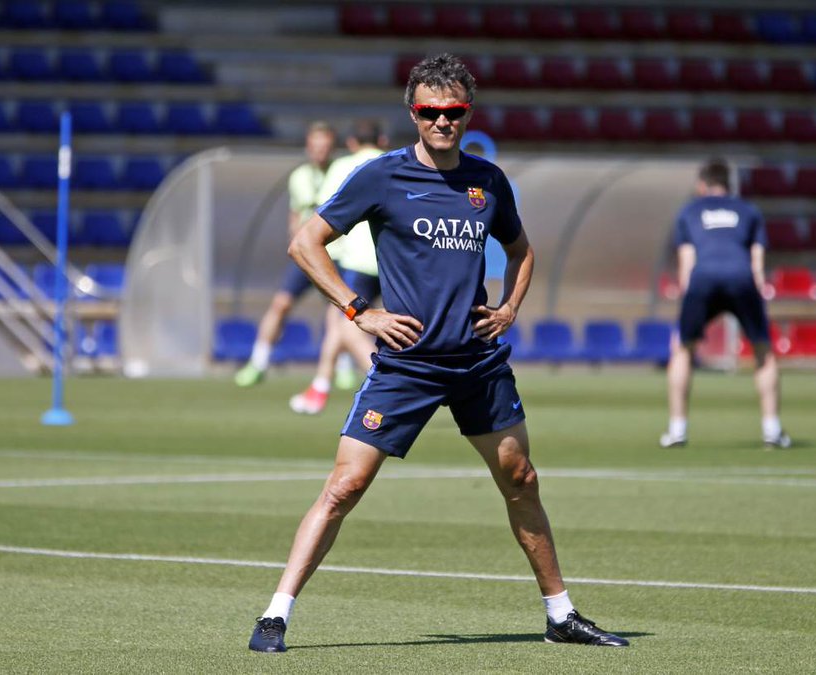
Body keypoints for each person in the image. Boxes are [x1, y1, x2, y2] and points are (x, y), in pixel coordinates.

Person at [248, 53, 628, 652]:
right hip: (407, 366)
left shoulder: (488, 181)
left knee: (522, 479)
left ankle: (561, 616)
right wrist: (360, 311)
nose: (442, 121)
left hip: (477, 363)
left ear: (468, 113)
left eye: (453, 111)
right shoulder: (380, 176)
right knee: (345, 487)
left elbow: (522, 251)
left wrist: (508, 308)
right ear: (413, 113)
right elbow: (306, 244)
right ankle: (275, 616)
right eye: (430, 111)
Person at [660, 158, 790, 449]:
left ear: (701, 185)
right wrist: (755, 297)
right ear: (729, 185)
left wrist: (689, 304)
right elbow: (757, 263)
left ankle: (677, 430)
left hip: (702, 279)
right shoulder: (749, 211)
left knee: (682, 348)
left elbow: (687, 262)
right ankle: (772, 430)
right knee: (763, 351)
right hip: (741, 277)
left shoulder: (690, 211)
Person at [234, 121, 356, 389]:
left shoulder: (342, 172)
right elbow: (295, 214)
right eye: (315, 146)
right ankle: (258, 362)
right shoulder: (299, 177)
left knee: (339, 312)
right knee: (281, 304)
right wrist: (295, 241)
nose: (320, 151)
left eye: (325, 146)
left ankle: (343, 367)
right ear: (308, 147)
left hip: (337, 255)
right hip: (309, 254)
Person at [289, 119, 388, 415]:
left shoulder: (343, 166)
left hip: (358, 259)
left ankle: (382, 379)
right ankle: (320, 387)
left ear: (352, 143)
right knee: (338, 321)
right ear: (382, 141)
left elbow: (326, 211)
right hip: (392, 261)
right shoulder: (393, 162)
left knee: (347, 323)